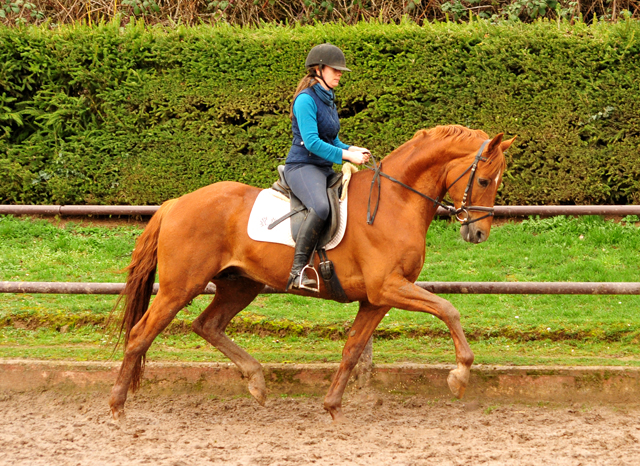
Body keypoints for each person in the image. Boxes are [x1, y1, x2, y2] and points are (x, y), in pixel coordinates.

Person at [284, 43, 371, 291]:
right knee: (320, 206)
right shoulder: (305, 100)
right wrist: (346, 156)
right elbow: (311, 142)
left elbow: (330, 139)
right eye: (335, 69)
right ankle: (297, 271)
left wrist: (350, 149)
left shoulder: (327, 99)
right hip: (302, 166)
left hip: (322, 168)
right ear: (318, 69)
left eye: (340, 70)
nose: (340, 74)